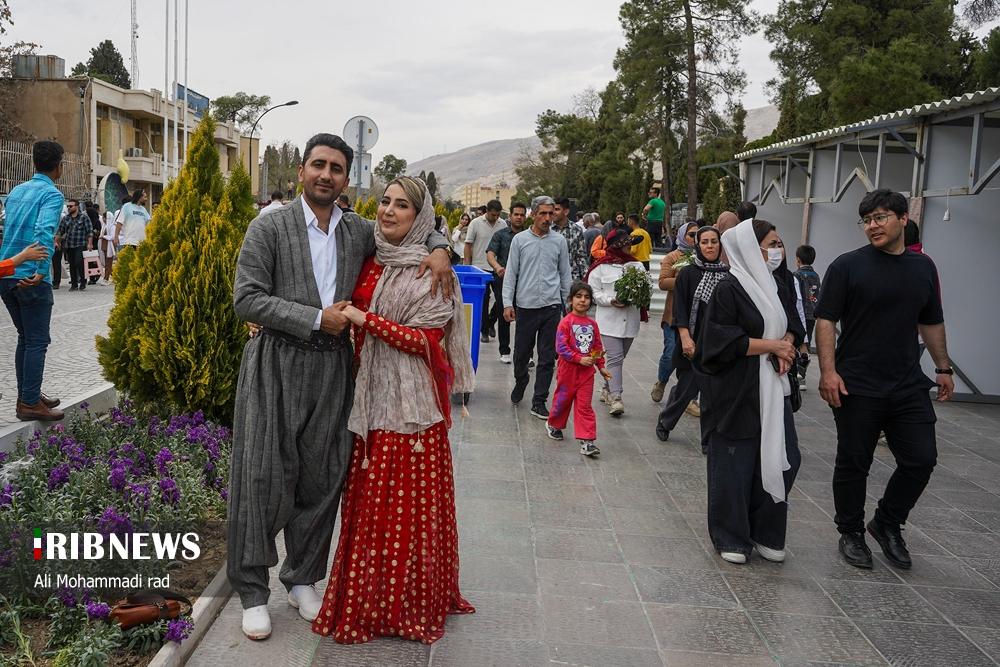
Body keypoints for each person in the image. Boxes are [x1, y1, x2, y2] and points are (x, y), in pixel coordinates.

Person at [229, 133, 452, 641]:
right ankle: (252, 593)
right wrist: (314, 318)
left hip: (333, 368)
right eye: (318, 165)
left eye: (335, 168)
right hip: (276, 362)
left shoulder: (357, 231)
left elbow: (411, 225)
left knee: (322, 476)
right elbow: (247, 299)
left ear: (346, 179)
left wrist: (440, 248)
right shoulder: (269, 227)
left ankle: (302, 579)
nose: (325, 175)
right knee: (261, 477)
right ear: (301, 171)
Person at [312, 176, 475, 645]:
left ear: (419, 217)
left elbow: (426, 340)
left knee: (410, 511)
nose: (388, 210)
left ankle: (409, 606)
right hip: (367, 399)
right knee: (370, 508)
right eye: (385, 201)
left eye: (402, 205)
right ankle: (367, 602)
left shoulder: (434, 271)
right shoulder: (374, 257)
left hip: (412, 411)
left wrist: (365, 319)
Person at [816, 189, 952, 571]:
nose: (872, 226)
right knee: (854, 462)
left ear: (903, 219)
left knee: (922, 459)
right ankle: (851, 531)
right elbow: (825, 320)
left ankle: (887, 521)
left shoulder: (923, 268)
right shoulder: (847, 266)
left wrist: (943, 367)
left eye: (880, 218)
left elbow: (931, 320)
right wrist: (828, 371)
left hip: (907, 383)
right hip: (857, 383)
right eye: (866, 220)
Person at [698, 219, 803, 564]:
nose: (777, 251)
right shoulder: (728, 288)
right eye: (771, 244)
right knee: (735, 462)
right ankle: (731, 535)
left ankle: (766, 531)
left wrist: (787, 344)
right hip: (737, 389)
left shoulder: (777, 285)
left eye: (779, 244)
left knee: (785, 458)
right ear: (750, 248)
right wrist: (772, 345)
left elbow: (794, 325)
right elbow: (719, 340)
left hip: (774, 387)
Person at [0, 140, 66, 421]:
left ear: (34, 163)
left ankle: (28, 394)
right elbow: (44, 229)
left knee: (25, 338)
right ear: (59, 167)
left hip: (7, 274)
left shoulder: (16, 191)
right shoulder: (52, 194)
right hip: (31, 277)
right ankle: (29, 403)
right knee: (37, 341)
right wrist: (40, 268)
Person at [655, 226, 728, 450]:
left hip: (717, 344)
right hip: (692, 341)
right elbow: (680, 308)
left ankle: (708, 440)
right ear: (698, 245)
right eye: (704, 242)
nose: (709, 246)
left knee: (712, 394)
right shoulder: (688, 273)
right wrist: (685, 337)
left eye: (714, 241)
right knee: (687, 389)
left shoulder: (728, 274)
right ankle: (666, 422)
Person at [502, 195, 571, 419]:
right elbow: (511, 274)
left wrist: (567, 305)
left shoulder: (559, 241)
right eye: (543, 213)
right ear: (533, 214)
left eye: (551, 213)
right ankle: (521, 379)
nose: (548, 218)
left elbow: (565, 274)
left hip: (551, 306)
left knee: (547, 357)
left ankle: (539, 400)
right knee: (521, 354)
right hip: (526, 306)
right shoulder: (520, 240)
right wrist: (507, 303)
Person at [547, 281, 612, 457]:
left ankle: (587, 442)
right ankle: (554, 424)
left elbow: (597, 347)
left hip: (586, 375)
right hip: (567, 372)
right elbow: (561, 348)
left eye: (587, 297)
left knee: (584, 406)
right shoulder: (565, 322)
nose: (583, 300)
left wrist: (601, 366)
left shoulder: (593, 324)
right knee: (562, 402)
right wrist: (578, 358)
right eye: (578, 296)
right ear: (571, 300)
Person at [586, 226, 645, 416]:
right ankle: (616, 397)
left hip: (630, 321)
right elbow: (593, 293)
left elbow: (645, 289)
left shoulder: (637, 266)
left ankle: (606, 387)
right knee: (615, 358)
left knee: (619, 358)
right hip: (609, 322)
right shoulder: (600, 267)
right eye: (626, 245)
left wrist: (639, 296)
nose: (629, 248)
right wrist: (611, 300)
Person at [650, 221, 698, 403]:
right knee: (670, 353)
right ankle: (662, 381)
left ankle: (689, 398)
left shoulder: (702, 257)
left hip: (696, 317)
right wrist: (684, 279)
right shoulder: (673, 257)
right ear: (682, 236)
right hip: (674, 316)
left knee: (694, 357)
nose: (695, 238)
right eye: (691, 235)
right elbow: (663, 282)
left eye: (697, 235)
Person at [486, 201, 527, 364]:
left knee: (525, 316)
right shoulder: (500, 235)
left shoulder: (529, 236)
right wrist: (497, 267)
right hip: (503, 279)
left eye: (522, 215)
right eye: (516, 214)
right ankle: (504, 351)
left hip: (525, 281)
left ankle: (525, 352)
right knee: (505, 314)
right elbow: (490, 254)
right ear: (510, 216)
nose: (519, 217)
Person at [465, 199, 504, 343]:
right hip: (480, 267)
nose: (496, 217)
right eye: (493, 215)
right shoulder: (475, 223)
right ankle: (484, 331)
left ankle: (491, 321)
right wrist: (467, 266)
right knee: (484, 301)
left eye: (498, 215)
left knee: (502, 299)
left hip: (498, 267)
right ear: (487, 211)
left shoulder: (503, 224)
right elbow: (468, 245)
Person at [793, 245, 821, 387]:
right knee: (806, 343)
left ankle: (797, 375)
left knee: (796, 343)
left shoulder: (796, 275)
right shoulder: (816, 276)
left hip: (799, 314)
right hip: (811, 316)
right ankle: (802, 377)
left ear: (798, 260)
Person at [55, 198, 94, 292]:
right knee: (72, 264)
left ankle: (83, 282)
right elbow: (60, 231)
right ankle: (74, 284)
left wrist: (90, 243)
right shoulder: (66, 218)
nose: (69, 208)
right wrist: (57, 241)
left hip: (80, 244)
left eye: (71, 206)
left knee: (79, 262)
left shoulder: (84, 217)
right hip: (69, 245)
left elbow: (89, 231)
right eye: (68, 206)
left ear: (77, 206)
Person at [553, 196, 588, 280]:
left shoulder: (576, 230)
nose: (553, 212)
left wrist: (585, 279)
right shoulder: (547, 230)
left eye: (557, 209)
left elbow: (581, 256)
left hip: (572, 278)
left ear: (566, 211)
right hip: (552, 278)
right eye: (552, 209)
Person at [85, 202, 102, 285]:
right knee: (89, 261)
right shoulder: (86, 221)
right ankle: (91, 277)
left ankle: (95, 275)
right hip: (87, 242)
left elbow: (98, 232)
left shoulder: (96, 222)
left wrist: (91, 233)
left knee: (93, 260)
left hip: (94, 243)